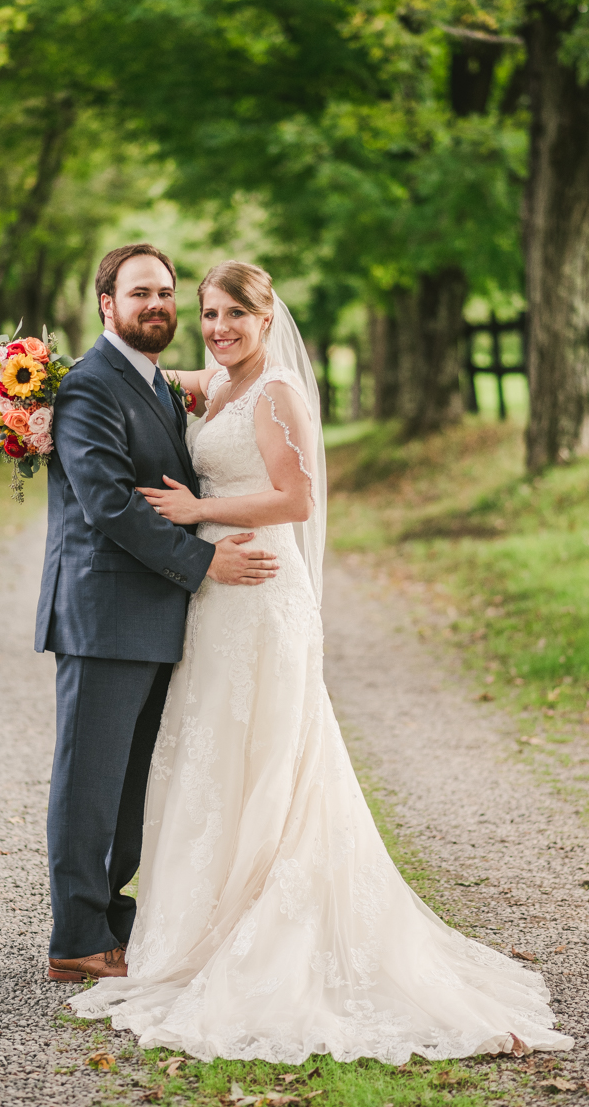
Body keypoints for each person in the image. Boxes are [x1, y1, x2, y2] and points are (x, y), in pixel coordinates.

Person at [68, 260, 573, 1065]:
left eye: (236, 312)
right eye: (208, 312)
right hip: (215, 601)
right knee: (214, 754)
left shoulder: (277, 393)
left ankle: (266, 918)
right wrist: (26, 393)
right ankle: (204, 917)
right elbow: (128, 373)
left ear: (269, 319)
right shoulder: (216, 386)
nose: (220, 325)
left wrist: (199, 508)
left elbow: (296, 500)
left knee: (272, 757)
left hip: (263, 592)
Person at [35, 244, 280, 983]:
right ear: (106, 302)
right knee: (89, 778)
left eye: (168, 293)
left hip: (153, 616)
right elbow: (109, 503)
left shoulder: (150, 381)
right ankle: (76, 935)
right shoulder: (88, 387)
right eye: (141, 292)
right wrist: (206, 561)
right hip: (104, 612)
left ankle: (111, 915)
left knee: (130, 782)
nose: (159, 305)